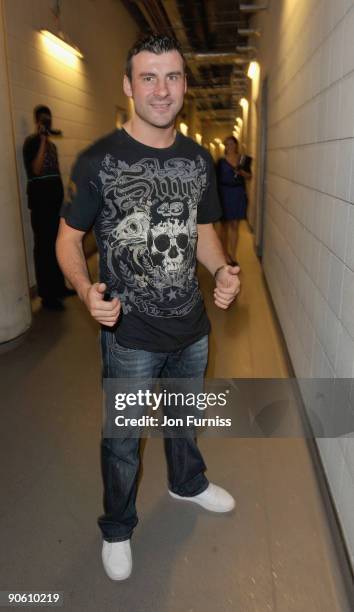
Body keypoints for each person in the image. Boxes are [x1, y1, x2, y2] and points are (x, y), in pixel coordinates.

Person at [56, 34, 241, 581]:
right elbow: (67, 239)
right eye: (148, 77)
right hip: (129, 335)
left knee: (185, 422)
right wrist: (85, 289)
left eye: (172, 77)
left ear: (185, 84)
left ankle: (187, 484)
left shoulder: (197, 160)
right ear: (128, 86)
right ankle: (117, 527)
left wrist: (223, 269)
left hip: (192, 328)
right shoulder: (99, 161)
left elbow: (201, 228)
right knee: (123, 442)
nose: (162, 90)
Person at [23, 105, 75, 310]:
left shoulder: (53, 146)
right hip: (40, 205)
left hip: (55, 205)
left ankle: (59, 287)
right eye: (44, 120)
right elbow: (36, 169)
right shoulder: (32, 143)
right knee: (44, 250)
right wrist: (43, 139)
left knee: (57, 247)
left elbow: (54, 174)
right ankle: (47, 296)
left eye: (49, 119)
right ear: (37, 122)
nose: (48, 123)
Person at [216, 136, 251, 264]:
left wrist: (241, 171)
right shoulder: (220, 161)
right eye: (228, 144)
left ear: (236, 145)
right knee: (224, 226)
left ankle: (233, 255)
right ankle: (224, 254)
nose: (230, 146)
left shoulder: (242, 159)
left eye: (232, 143)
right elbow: (216, 179)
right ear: (225, 146)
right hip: (224, 193)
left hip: (237, 193)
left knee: (235, 225)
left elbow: (249, 176)